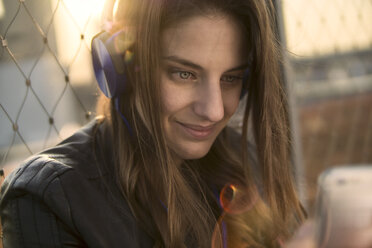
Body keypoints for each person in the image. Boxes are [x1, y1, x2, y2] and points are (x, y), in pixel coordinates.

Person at [0, 0, 306, 247]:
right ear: (121, 67)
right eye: (184, 74)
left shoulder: (242, 159)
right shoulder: (50, 200)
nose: (213, 110)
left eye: (231, 78)